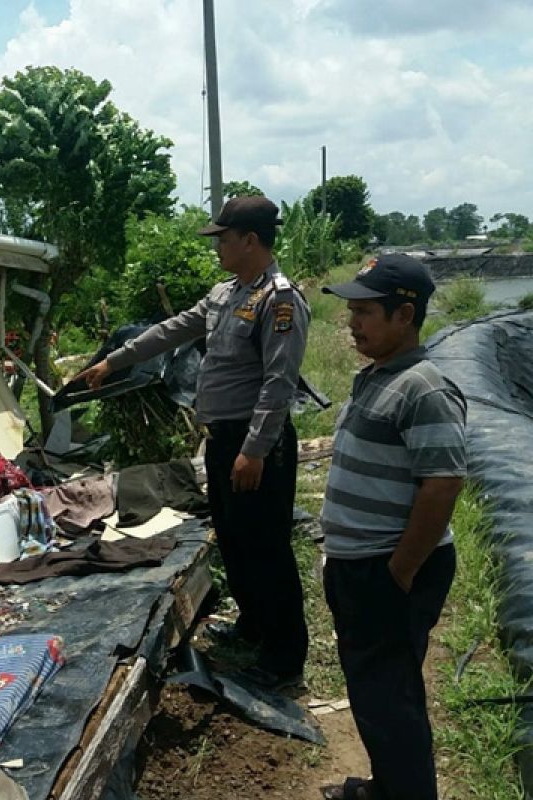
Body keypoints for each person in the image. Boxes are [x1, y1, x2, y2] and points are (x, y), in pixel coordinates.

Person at [76, 195, 309, 689]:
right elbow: (172, 329)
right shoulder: (226, 294)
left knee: (266, 547)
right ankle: (254, 625)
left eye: (223, 238)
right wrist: (113, 361)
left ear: (250, 240)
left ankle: (284, 658)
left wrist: (255, 450)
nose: (217, 247)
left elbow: (279, 383)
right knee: (233, 538)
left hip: (255, 444)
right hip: (224, 441)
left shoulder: (279, 299)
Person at [318, 254, 465, 800]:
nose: (352, 323)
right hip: (361, 565)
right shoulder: (378, 376)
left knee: (389, 696)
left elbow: (442, 486)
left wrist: (398, 572)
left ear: (405, 316)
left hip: (389, 568)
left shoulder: (424, 389)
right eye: (351, 311)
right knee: (374, 690)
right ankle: (390, 787)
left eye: (365, 312)